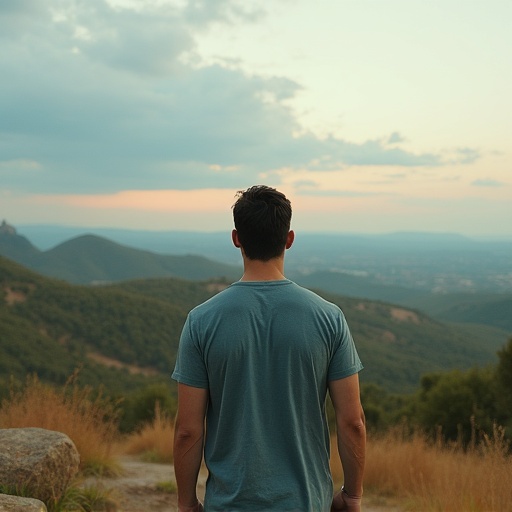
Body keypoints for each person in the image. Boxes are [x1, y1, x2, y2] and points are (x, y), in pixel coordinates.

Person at [172, 185, 366, 512]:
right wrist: (353, 495)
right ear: (289, 239)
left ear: (237, 238)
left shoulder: (201, 321)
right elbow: (352, 421)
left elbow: (188, 431)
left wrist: (187, 502)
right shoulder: (329, 318)